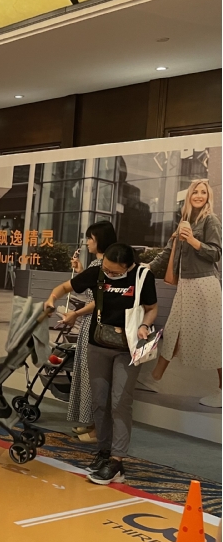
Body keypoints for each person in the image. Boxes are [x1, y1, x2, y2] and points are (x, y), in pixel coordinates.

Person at [45, 244, 158, 485]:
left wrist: (144, 325)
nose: (109, 274)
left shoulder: (142, 276)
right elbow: (64, 287)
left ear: (128, 266)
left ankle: (117, 462)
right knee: (99, 401)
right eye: (106, 269)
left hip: (127, 349)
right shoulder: (97, 272)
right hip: (97, 344)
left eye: (115, 272)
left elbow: (151, 309)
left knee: (120, 403)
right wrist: (52, 299)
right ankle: (104, 452)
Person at [147, 179, 222, 407]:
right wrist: (148, 266)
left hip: (205, 284)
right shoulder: (184, 221)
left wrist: (192, 240)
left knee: (214, 337)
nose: (199, 195)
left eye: (203, 192)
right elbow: (169, 251)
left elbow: (216, 253)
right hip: (186, 285)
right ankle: (155, 378)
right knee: (173, 330)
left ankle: (222, 390)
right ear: (189, 196)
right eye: (195, 192)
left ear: (208, 197)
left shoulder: (210, 220)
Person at [61, 221, 118, 440]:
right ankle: (92, 424)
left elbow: (100, 300)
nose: (87, 242)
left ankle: (97, 430)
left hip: (98, 327)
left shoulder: (106, 265)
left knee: (95, 378)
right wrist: (82, 272)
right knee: (89, 376)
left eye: (90, 238)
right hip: (91, 326)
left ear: (100, 240)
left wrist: (75, 314)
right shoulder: (99, 264)